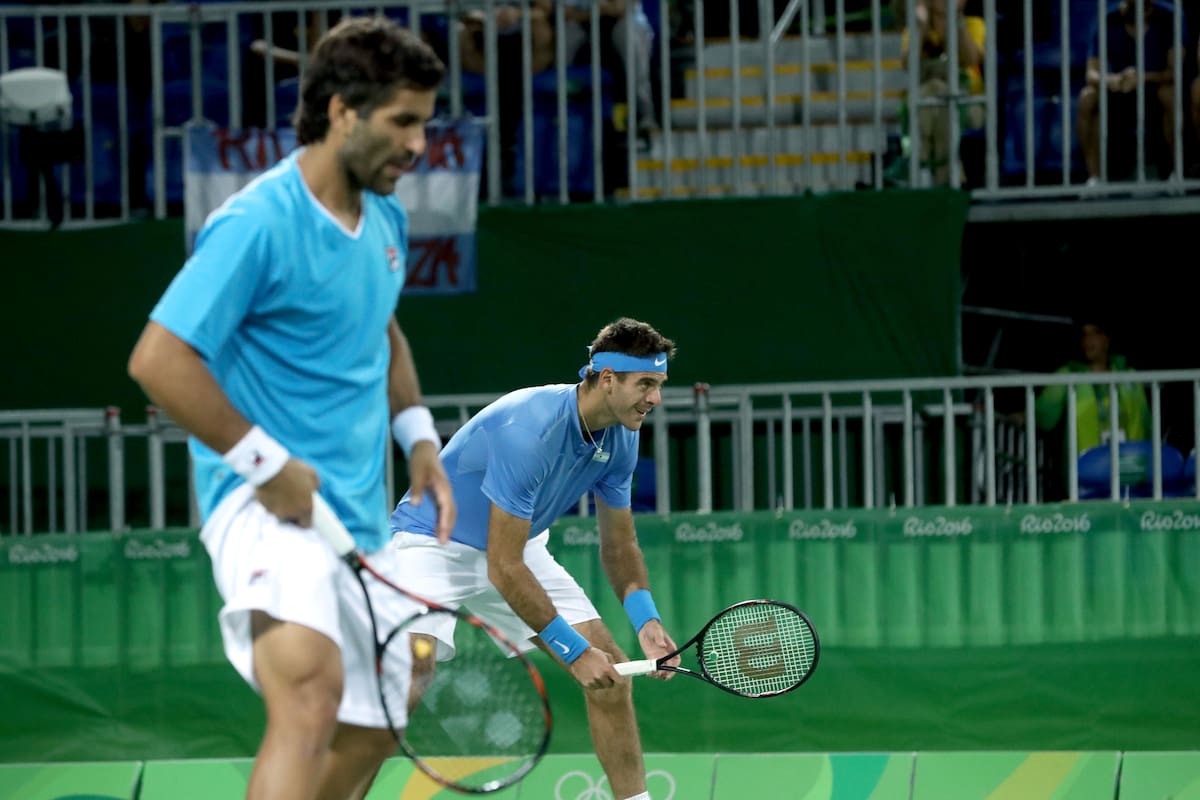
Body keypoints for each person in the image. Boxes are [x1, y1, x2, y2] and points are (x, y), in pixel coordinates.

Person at [126, 17, 456, 800]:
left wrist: (417, 436)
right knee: (310, 688)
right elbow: (158, 359)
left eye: (425, 124)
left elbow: (380, 325)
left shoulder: (386, 218)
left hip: (355, 513)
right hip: (263, 500)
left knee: (381, 718)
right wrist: (264, 465)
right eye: (402, 122)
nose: (418, 146)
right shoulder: (257, 221)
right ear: (343, 111)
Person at [389, 317, 681, 800]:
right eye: (646, 384)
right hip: (432, 544)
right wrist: (573, 652)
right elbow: (502, 569)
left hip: (516, 545)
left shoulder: (622, 435)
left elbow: (619, 546)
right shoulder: (530, 430)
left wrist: (646, 621)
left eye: (659, 385)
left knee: (610, 677)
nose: (655, 399)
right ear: (607, 379)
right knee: (408, 676)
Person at [1034, 314, 1150, 497]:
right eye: (1084, 335)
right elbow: (1043, 416)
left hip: (1131, 470)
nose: (1087, 340)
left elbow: (1147, 424)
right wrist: (1022, 415)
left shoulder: (1130, 376)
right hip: (1084, 475)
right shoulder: (1069, 375)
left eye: (1095, 333)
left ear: (1107, 339)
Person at [1078, 0, 1178, 186]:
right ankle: (1095, 179)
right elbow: (1091, 73)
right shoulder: (1107, 18)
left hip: (1154, 89)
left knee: (1170, 95)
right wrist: (1113, 80)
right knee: (1088, 97)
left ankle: (1176, 174)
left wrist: (1141, 78)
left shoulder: (1170, 17)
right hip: (1118, 92)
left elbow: (1175, 71)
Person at [898, 0, 986, 186]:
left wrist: (955, 22)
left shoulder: (974, 25)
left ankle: (916, 164)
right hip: (927, 103)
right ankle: (948, 176)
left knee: (938, 95)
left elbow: (970, 59)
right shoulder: (914, 28)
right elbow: (908, 63)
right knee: (935, 92)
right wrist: (921, 26)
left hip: (968, 103)